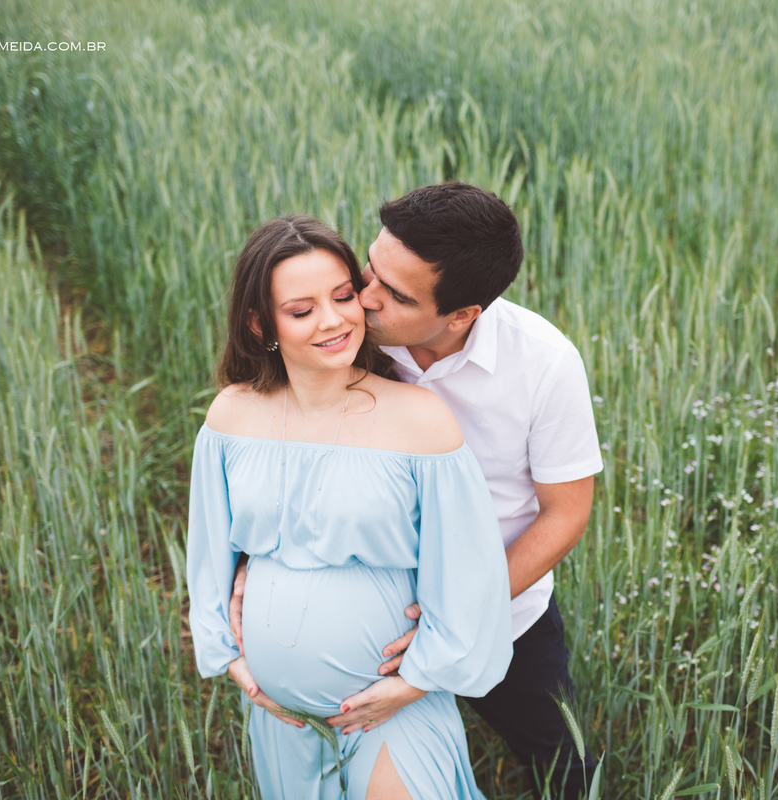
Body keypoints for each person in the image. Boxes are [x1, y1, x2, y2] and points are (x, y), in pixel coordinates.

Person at [230, 183, 603, 798]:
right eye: (370, 271)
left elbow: (565, 513)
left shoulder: (544, 365)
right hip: (370, 629)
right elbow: (279, 455)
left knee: (559, 763)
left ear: (462, 315)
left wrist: (455, 612)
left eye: (395, 295)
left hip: (501, 613)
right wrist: (252, 570)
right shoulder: (343, 340)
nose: (362, 300)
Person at [186, 214, 513, 799]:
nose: (333, 319)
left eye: (343, 296)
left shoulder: (419, 419)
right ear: (262, 323)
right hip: (280, 718)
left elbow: (470, 574)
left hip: (391, 711)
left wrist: (414, 683)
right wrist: (232, 659)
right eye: (301, 309)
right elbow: (208, 552)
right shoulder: (231, 416)